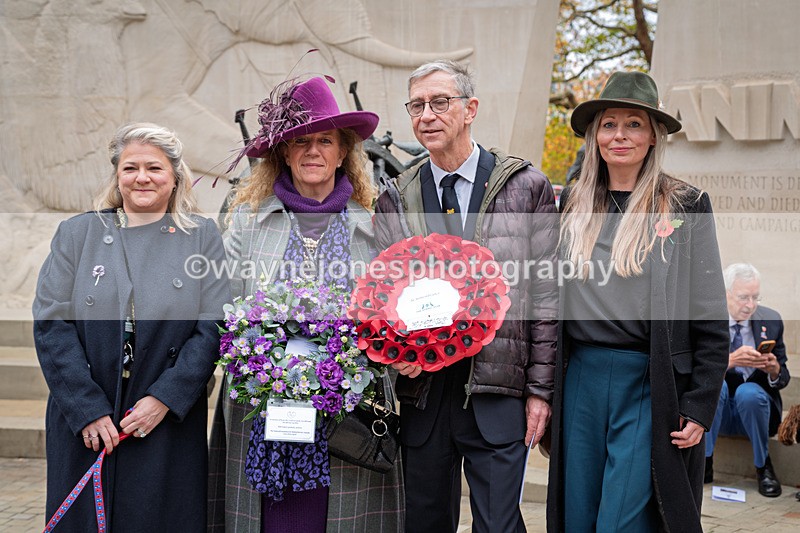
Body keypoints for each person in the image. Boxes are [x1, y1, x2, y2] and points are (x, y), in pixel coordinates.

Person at [207, 76, 404, 533]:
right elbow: (221, 306)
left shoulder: (375, 226)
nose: (312, 151)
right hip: (262, 411)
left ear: (343, 152)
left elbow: (392, 314)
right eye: (300, 141)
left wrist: (354, 364)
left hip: (350, 413)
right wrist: (261, 364)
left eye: (325, 140)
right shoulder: (247, 221)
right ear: (283, 153)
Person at [373, 59, 559, 532]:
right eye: (417, 105)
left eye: (440, 102)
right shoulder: (396, 195)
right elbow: (379, 297)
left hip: (498, 393)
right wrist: (394, 355)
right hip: (424, 393)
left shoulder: (525, 187)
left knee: (498, 525)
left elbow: (547, 296)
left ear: (470, 108)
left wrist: (539, 391)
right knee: (423, 522)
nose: (427, 115)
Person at [546, 71, 729, 532]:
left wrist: (701, 404)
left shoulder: (685, 204)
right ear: (595, 135)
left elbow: (708, 311)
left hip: (650, 381)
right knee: (578, 516)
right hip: (581, 378)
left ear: (653, 136)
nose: (619, 135)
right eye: (609, 124)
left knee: (623, 521)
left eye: (633, 124)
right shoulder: (572, 203)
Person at [33, 122, 230, 531]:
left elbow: (212, 325)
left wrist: (165, 398)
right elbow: (52, 321)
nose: (142, 177)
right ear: (116, 176)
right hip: (88, 419)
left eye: (155, 168)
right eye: (130, 167)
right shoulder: (77, 233)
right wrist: (86, 408)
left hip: (164, 418)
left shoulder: (202, 237)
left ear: (175, 177)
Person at [704, 263, 790, 497]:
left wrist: (774, 369)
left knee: (749, 392)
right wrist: (729, 361)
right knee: (717, 386)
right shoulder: (707, 321)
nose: (750, 305)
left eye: (755, 297)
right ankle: (704, 462)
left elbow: (783, 378)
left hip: (756, 410)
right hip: (716, 412)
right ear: (726, 295)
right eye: (743, 297)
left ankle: (764, 468)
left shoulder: (771, 320)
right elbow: (694, 371)